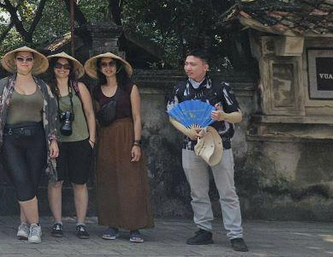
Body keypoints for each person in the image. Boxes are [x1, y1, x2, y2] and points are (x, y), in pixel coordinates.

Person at [167, 49, 249, 253]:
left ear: (205, 66)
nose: (188, 68)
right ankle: (203, 229)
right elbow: (172, 116)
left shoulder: (221, 88)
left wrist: (223, 116)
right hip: (191, 145)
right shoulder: (179, 89)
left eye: (193, 64)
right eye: (186, 64)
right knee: (197, 191)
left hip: (220, 144)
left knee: (227, 191)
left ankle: (235, 234)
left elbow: (238, 115)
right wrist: (188, 131)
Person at [0, 46, 59, 244]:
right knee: (20, 179)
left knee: (32, 182)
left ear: (33, 63)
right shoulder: (4, 85)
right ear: (15, 62)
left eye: (29, 59)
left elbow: (51, 114)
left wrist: (53, 140)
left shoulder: (43, 86)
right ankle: (36, 225)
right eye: (21, 59)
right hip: (11, 138)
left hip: (36, 138)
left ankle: (24, 224)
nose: (25, 62)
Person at [84, 52, 153, 243]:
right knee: (109, 180)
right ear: (99, 68)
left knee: (131, 181)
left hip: (127, 134)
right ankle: (112, 224)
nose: (108, 67)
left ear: (118, 66)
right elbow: (93, 115)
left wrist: (136, 143)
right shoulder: (96, 91)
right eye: (104, 64)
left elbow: (137, 117)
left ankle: (134, 226)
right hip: (106, 137)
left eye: (111, 64)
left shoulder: (129, 88)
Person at [45, 52, 96, 239]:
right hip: (56, 142)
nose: (62, 69)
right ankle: (57, 222)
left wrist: (91, 139)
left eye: (66, 66)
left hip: (80, 139)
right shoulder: (47, 88)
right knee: (56, 181)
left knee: (80, 183)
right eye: (58, 65)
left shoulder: (79, 87)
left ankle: (81, 223)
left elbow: (90, 113)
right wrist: (51, 140)